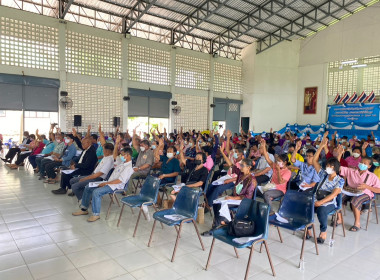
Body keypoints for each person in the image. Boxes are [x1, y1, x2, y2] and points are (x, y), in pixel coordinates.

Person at [72, 145, 134, 222]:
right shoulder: (121, 162)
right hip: (109, 182)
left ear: (127, 155)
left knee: (96, 192)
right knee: (88, 187)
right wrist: (117, 142)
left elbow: (119, 181)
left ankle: (96, 214)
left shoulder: (128, 168)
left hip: (116, 186)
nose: (120, 156)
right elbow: (115, 155)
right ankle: (84, 209)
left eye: (122, 154)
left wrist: (105, 184)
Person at [202, 158, 256, 236]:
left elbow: (247, 197)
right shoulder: (241, 174)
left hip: (243, 201)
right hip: (235, 197)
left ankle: (214, 229)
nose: (240, 167)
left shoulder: (251, 180)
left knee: (221, 205)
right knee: (216, 202)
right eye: (240, 165)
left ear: (249, 167)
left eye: (242, 165)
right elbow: (232, 165)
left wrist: (233, 198)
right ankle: (221, 223)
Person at [306, 137, 344, 243]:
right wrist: (322, 146)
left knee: (321, 210)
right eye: (327, 166)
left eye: (330, 166)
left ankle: (323, 232)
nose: (328, 168)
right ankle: (308, 230)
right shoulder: (323, 174)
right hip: (317, 197)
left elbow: (334, 194)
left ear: (335, 168)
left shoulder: (339, 180)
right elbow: (314, 161)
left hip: (329, 201)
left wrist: (321, 202)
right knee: (306, 208)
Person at [336, 145, 380, 232]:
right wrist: (339, 155)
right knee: (338, 197)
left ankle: (357, 223)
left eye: (365, 163)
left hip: (365, 193)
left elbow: (378, 189)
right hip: (351, 191)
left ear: (369, 166)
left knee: (355, 200)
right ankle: (339, 219)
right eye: (361, 162)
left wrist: (367, 186)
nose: (362, 164)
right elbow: (337, 167)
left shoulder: (372, 176)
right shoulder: (351, 171)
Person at [258, 139, 291, 211]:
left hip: (279, 190)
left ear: (285, 162)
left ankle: (270, 212)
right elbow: (267, 158)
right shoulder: (275, 166)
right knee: (255, 189)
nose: (277, 162)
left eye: (279, 161)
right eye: (277, 161)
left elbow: (280, 182)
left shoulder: (287, 172)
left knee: (266, 194)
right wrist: (263, 146)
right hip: (270, 187)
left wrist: (278, 171)